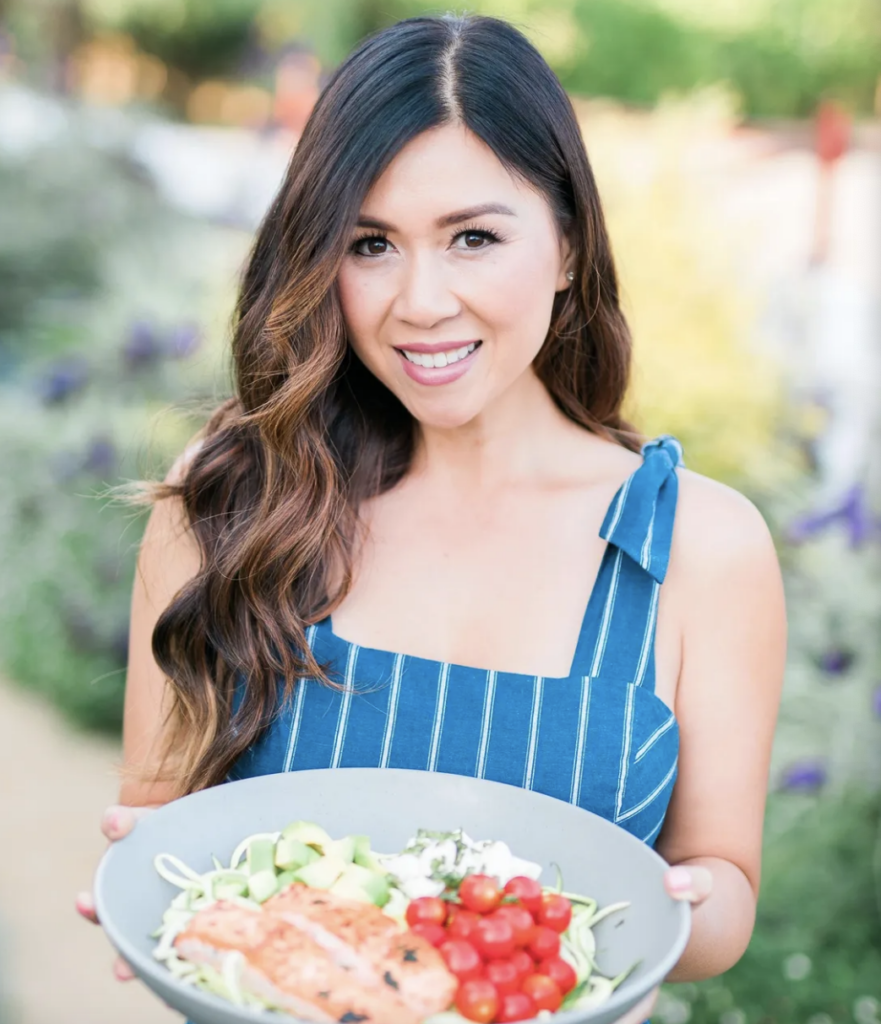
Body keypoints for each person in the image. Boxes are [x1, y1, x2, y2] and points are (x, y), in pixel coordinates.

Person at [75, 14, 786, 1022]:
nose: (420, 300)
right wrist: (141, 891)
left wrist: (661, 914)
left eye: (474, 238)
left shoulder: (699, 547)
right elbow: (160, 836)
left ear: (569, 246)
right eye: (370, 244)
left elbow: (722, 884)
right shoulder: (230, 506)